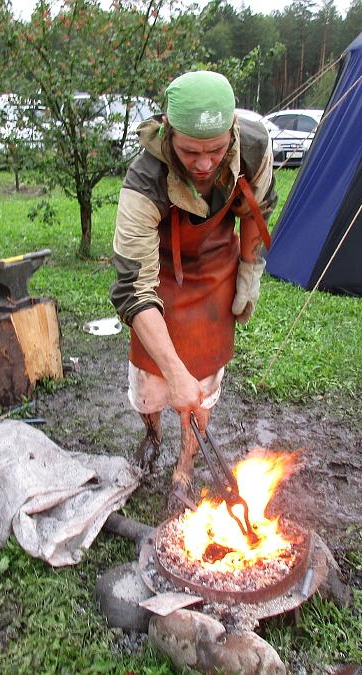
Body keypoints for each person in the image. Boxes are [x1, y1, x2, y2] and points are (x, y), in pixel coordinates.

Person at [109, 71, 276, 511]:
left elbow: (257, 211)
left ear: (233, 133)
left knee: (201, 380)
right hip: (158, 273)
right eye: (190, 152)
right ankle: (152, 434)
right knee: (151, 381)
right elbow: (132, 288)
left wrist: (248, 271)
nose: (204, 164)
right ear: (168, 128)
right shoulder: (145, 179)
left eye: (217, 151)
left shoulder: (255, 144)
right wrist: (172, 372)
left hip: (215, 270)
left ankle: (183, 466)